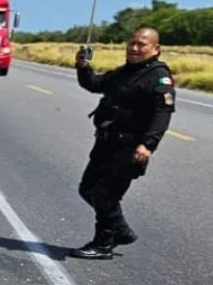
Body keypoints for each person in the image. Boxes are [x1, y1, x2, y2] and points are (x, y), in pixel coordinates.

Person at [69, 27, 176, 260]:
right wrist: (83, 67)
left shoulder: (158, 77)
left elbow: (162, 113)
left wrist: (147, 145)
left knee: (104, 194)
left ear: (156, 49)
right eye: (132, 43)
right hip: (105, 144)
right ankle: (120, 230)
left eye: (142, 44)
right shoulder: (125, 72)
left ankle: (104, 243)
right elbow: (95, 84)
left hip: (129, 147)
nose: (135, 48)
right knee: (87, 189)